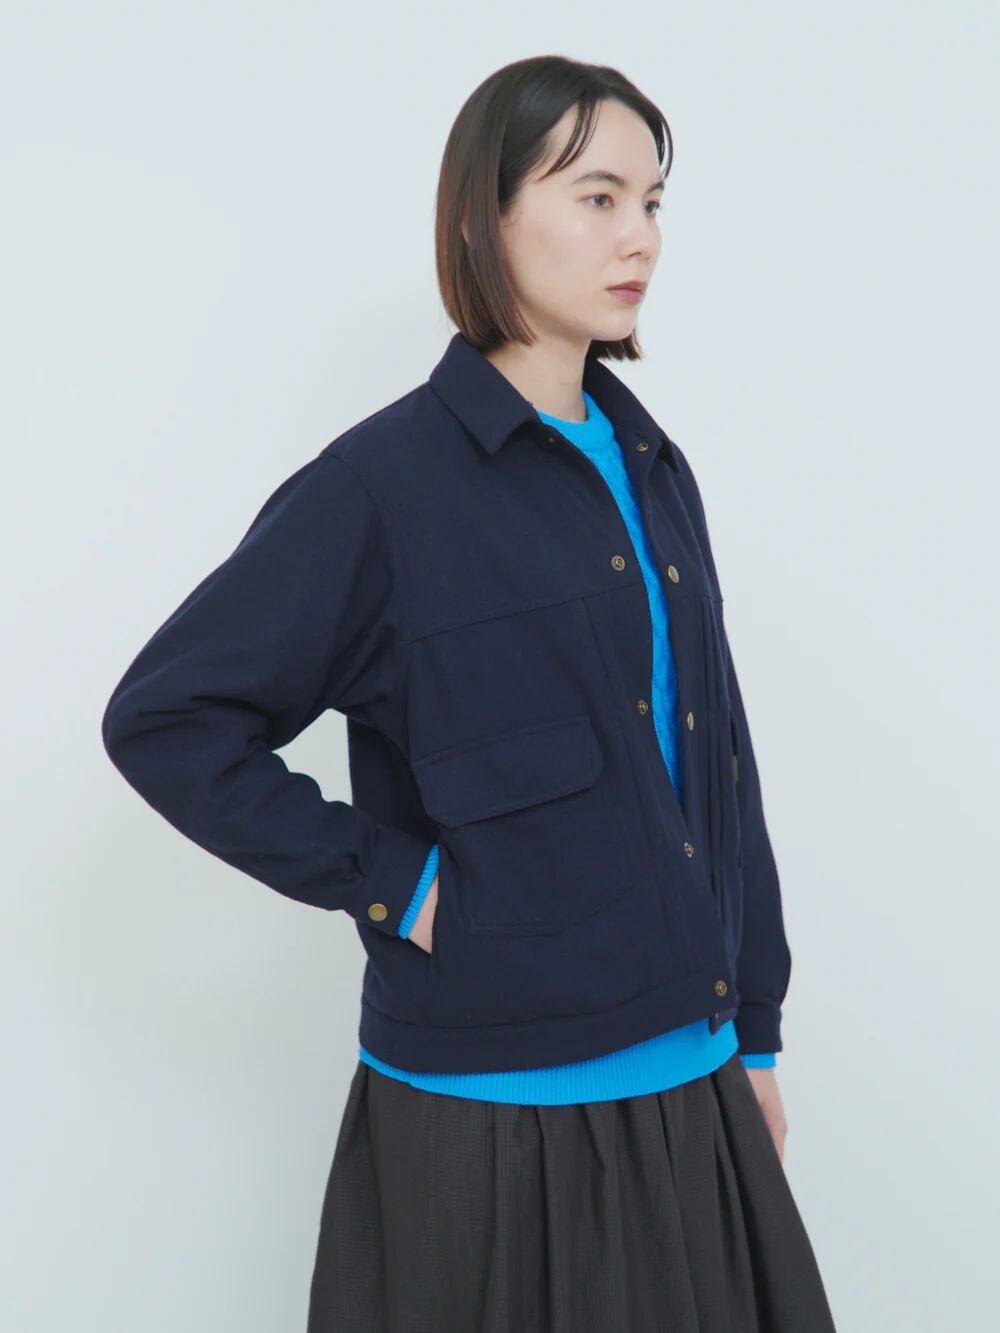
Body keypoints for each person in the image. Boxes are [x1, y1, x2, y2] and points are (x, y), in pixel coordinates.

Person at [101, 54, 837, 1333]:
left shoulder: (653, 467)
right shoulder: (380, 488)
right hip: (489, 1119)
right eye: (596, 197)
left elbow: (716, 758)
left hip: (695, 1081)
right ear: (483, 218)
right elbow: (165, 719)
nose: (640, 237)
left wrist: (757, 1033)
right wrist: (399, 881)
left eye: (652, 202)